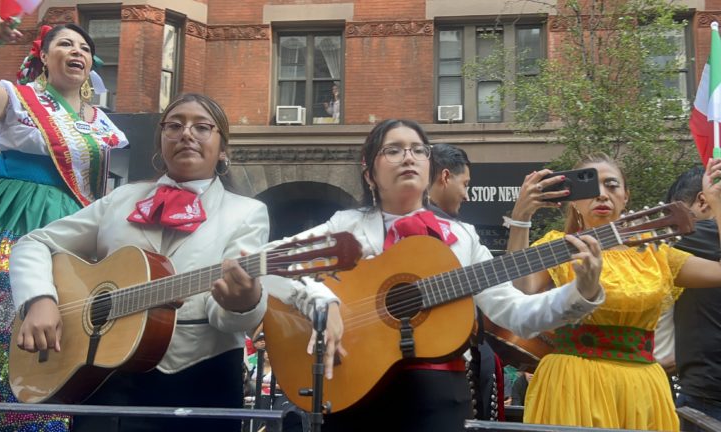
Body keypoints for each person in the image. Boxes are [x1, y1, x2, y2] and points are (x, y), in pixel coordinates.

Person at [261, 119, 605, 431]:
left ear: (429, 168)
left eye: (418, 150)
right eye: (393, 150)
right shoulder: (344, 226)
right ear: (369, 173)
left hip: (438, 398)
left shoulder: (464, 237)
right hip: (353, 387)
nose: (408, 157)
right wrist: (325, 303)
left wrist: (581, 292)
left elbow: (516, 313)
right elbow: (268, 262)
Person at [9, 93, 268, 432]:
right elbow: (34, 242)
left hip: (201, 385)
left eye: (202, 127)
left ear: (223, 150)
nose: (186, 133)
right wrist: (40, 299)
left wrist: (242, 304)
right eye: (174, 125)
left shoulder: (247, 213)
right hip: (106, 384)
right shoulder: (120, 200)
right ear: (160, 141)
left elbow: (226, 320)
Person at [0, 17, 128, 431]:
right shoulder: (19, 99)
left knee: (64, 322)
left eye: (85, 48)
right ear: (45, 58)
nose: (77, 52)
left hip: (71, 226)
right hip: (14, 216)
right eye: (65, 45)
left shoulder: (102, 123)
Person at [506, 153, 721, 430]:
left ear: (626, 196)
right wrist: (521, 217)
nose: (602, 195)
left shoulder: (655, 254)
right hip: (573, 384)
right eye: (591, 188)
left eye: (611, 185)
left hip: (643, 388)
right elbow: (520, 289)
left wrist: (716, 203)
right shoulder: (558, 246)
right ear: (574, 201)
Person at [428, 142, 503, 420]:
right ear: (445, 177)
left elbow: (503, 295)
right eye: (465, 183)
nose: (468, 195)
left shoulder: (466, 235)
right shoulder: (380, 227)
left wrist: (521, 222)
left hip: (457, 367)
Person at [665, 165, 721, 429]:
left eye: (674, 215)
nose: (670, 224)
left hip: (706, 398)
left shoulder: (694, 235)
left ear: (702, 200)